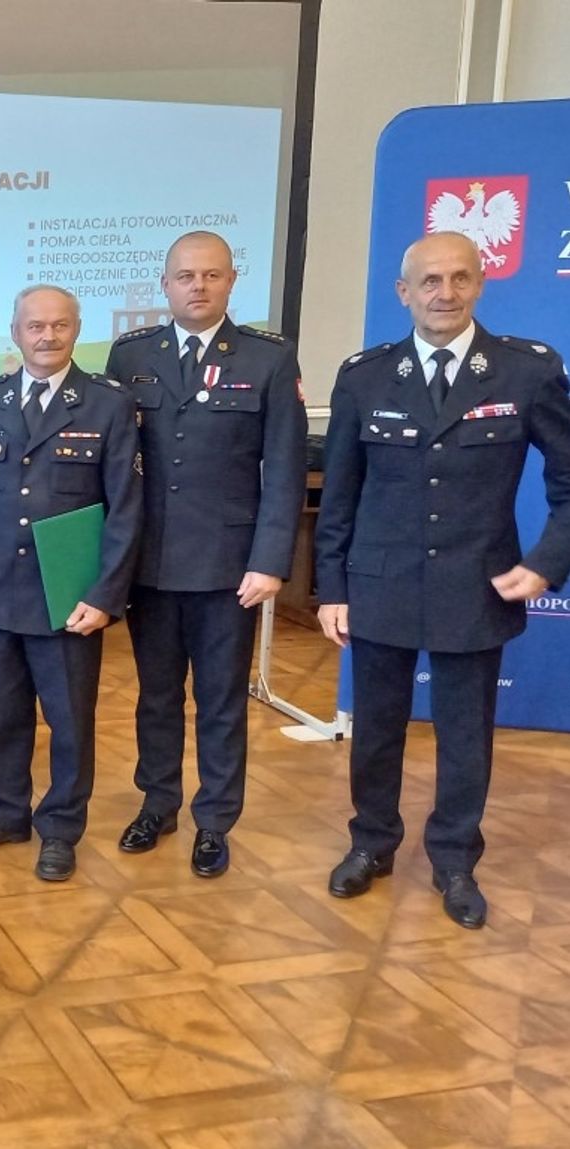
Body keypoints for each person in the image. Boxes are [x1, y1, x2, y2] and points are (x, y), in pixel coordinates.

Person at [315, 230, 570, 930]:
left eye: (460, 278)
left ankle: (455, 860)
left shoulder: (525, 372)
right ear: (404, 292)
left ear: (480, 284)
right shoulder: (365, 376)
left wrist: (546, 562)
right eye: (430, 281)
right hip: (380, 582)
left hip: (473, 584)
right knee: (376, 730)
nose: (445, 293)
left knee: (464, 735)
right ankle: (371, 844)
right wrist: (331, 588)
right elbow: (339, 495)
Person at [104, 231, 307, 878]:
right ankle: (157, 802)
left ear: (231, 281)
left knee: (220, 701)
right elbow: (113, 463)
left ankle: (215, 820)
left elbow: (284, 468)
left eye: (211, 275)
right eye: (186, 276)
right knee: (156, 696)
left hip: (229, 566)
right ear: (165, 285)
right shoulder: (132, 354)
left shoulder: (268, 357)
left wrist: (270, 559)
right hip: (151, 562)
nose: (198, 286)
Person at [0, 285, 141, 882]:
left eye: (59, 325)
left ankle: (60, 829)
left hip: (68, 594)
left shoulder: (106, 404)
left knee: (70, 720)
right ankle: (4, 814)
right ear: (16, 332)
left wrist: (104, 595)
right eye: (35, 326)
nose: (47, 336)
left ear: (76, 329)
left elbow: (126, 509)